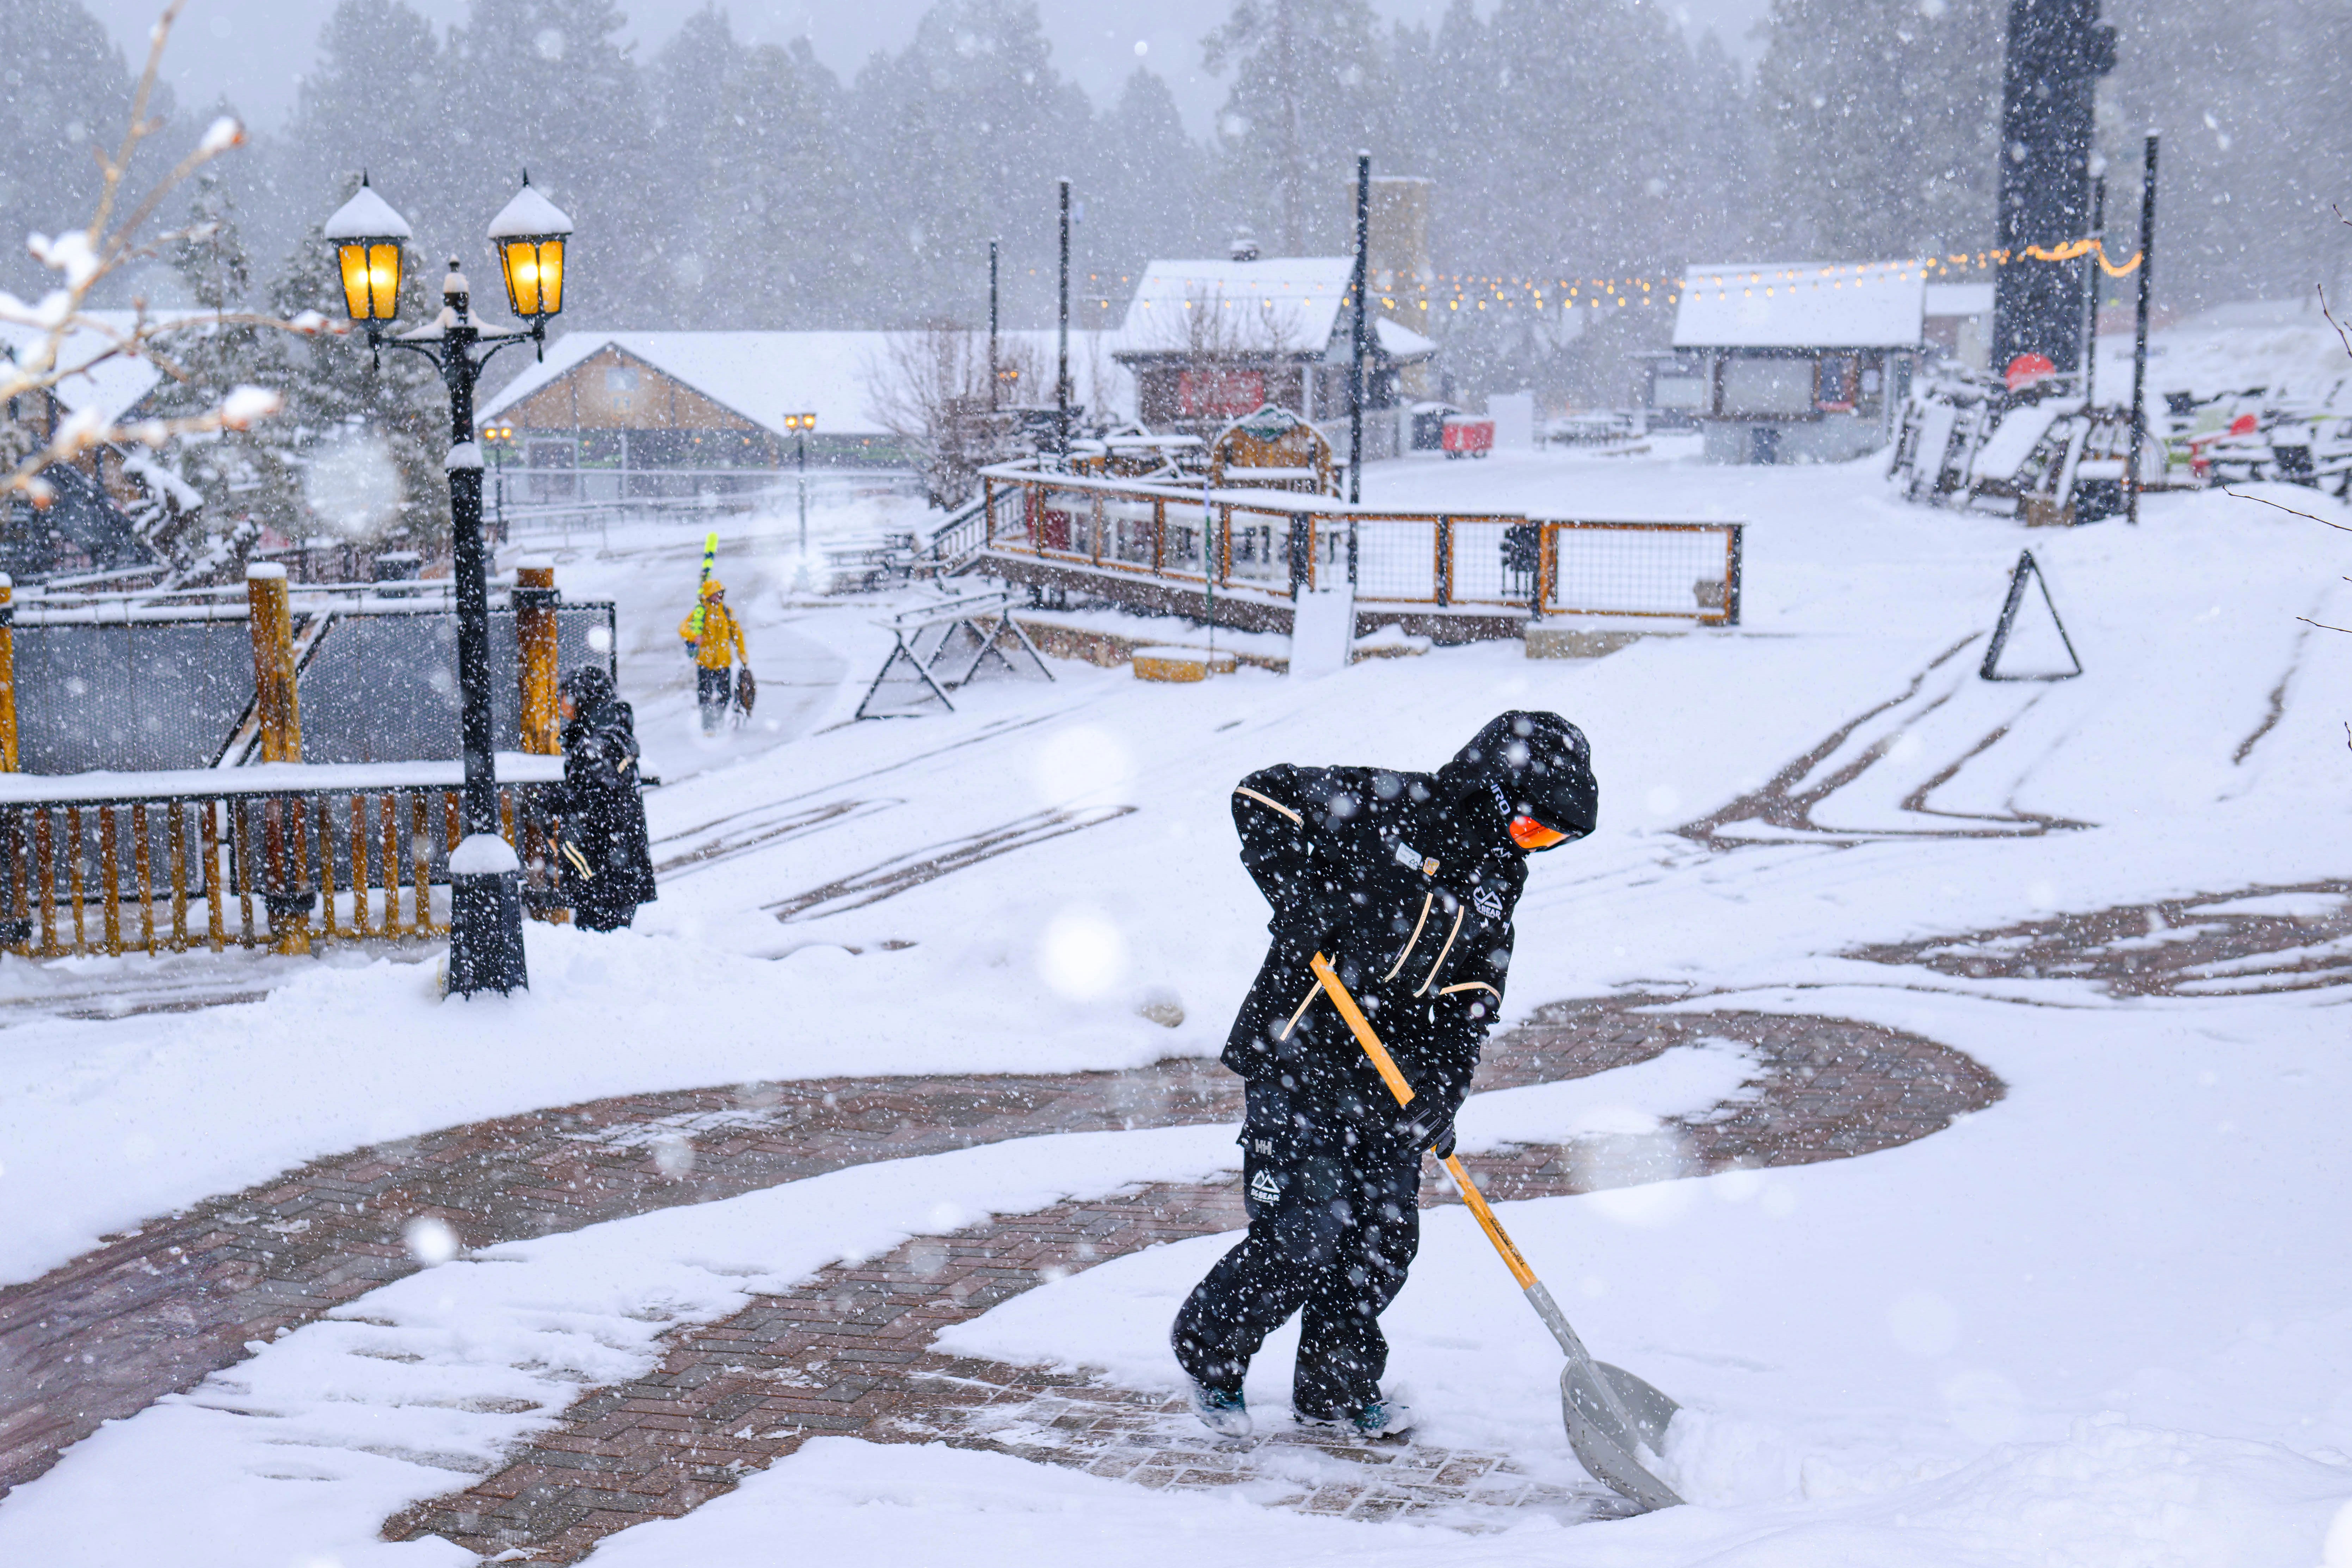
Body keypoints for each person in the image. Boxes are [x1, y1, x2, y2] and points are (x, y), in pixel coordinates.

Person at [1170, 711, 1599, 1441]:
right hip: (1300, 1050)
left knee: (1383, 1237)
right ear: (1495, 791)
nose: (1534, 846)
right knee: (1305, 1228)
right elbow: (1262, 796)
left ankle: (1335, 1389)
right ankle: (1210, 1354)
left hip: (1389, 1079)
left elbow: (1473, 993)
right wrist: (1295, 895)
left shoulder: (1500, 879)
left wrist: (1442, 1091)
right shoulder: (1394, 804)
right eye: (1533, 828)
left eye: (1551, 839)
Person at [552, 665, 657, 931]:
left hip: (605, 872)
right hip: (616, 868)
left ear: (581, 696)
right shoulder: (609, 734)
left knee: (599, 944)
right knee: (607, 943)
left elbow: (595, 800)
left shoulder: (596, 745)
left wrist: (554, 801)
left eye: (564, 694)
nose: (560, 701)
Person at [678, 578, 749, 735]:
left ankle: (716, 717)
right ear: (708, 595)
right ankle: (708, 725)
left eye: (720, 594)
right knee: (705, 696)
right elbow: (683, 628)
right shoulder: (700, 613)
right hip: (705, 663)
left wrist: (743, 656)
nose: (718, 597)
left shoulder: (727, 612)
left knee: (726, 695)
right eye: (715, 594)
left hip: (724, 662)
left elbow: (737, 635)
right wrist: (693, 636)